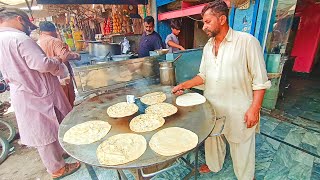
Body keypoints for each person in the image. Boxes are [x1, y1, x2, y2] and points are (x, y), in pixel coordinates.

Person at [172, 1, 271, 179]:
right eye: (203, 22)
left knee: (242, 145)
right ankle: (214, 165)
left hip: (238, 108)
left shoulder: (247, 42)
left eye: (208, 22)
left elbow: (260, 81)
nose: (204, 27)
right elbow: (204, 75)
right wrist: (185, 84)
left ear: (222, 19)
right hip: (214, 106)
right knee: (213, 139)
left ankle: (245, 176)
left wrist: (254, 109)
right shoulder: (209, 47)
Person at [0, 7, 80, 179]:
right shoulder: (19, 39)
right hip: (37, 91)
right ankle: (57, 168)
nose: (28, 28)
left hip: (25, 91)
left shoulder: (2, 39)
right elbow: (43, 64)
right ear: (19, 19)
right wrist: (59, 60)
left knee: (48, 128)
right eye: (27, 24)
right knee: (45, 132)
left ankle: (59, 157)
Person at [38, 21, 80, 107]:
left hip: (47, 79)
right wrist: (75, 55)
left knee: (57, 105)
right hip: (61, 78)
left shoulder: (38, 42)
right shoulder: (54, 41)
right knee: (67, 102)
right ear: (54, 30)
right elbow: (64, 56)